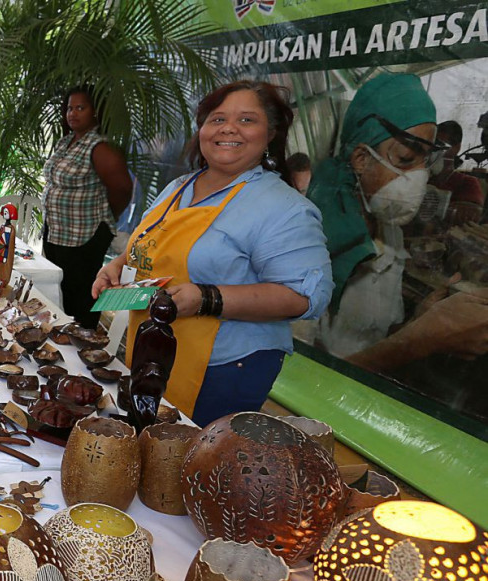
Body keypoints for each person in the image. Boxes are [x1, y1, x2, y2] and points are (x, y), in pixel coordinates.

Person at [92, 80, 332, 426]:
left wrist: (207, 298)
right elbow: (154, 244)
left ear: (271, 134)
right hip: (153, 353)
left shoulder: (284, 208)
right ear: (202, 129)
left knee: (186, 465)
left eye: (247, 120)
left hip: (222, 372)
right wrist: (117, 265)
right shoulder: (179, 187)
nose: (229, 128)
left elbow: (306, 297)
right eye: (217, 119)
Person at [304, 74, 486, 371]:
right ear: (361, 158)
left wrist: (422, 321)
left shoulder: (390, 232)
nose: (420, 176)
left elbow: (373, 339)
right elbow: (301, 378)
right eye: (405, 158)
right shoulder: (312, 241)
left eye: (426, 160)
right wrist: (420, 340)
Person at [41, 86, 133, 329]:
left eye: (81, 108)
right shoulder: (66, 142)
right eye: (70, 108)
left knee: (80, 297)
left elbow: (122, 189)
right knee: (59, 291)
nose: (73, 113)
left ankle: (82, 347)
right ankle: (56, 339)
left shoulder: (100, 148)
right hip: (58, 233)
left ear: (95, 112)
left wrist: (105, 218)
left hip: (84, 235)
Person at [430, 121, 484, 228]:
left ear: (457, 148)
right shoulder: (421, 176)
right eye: (434, 146)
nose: (436, 151)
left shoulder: (467, 183)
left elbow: (471, 216)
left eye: (443, 146)